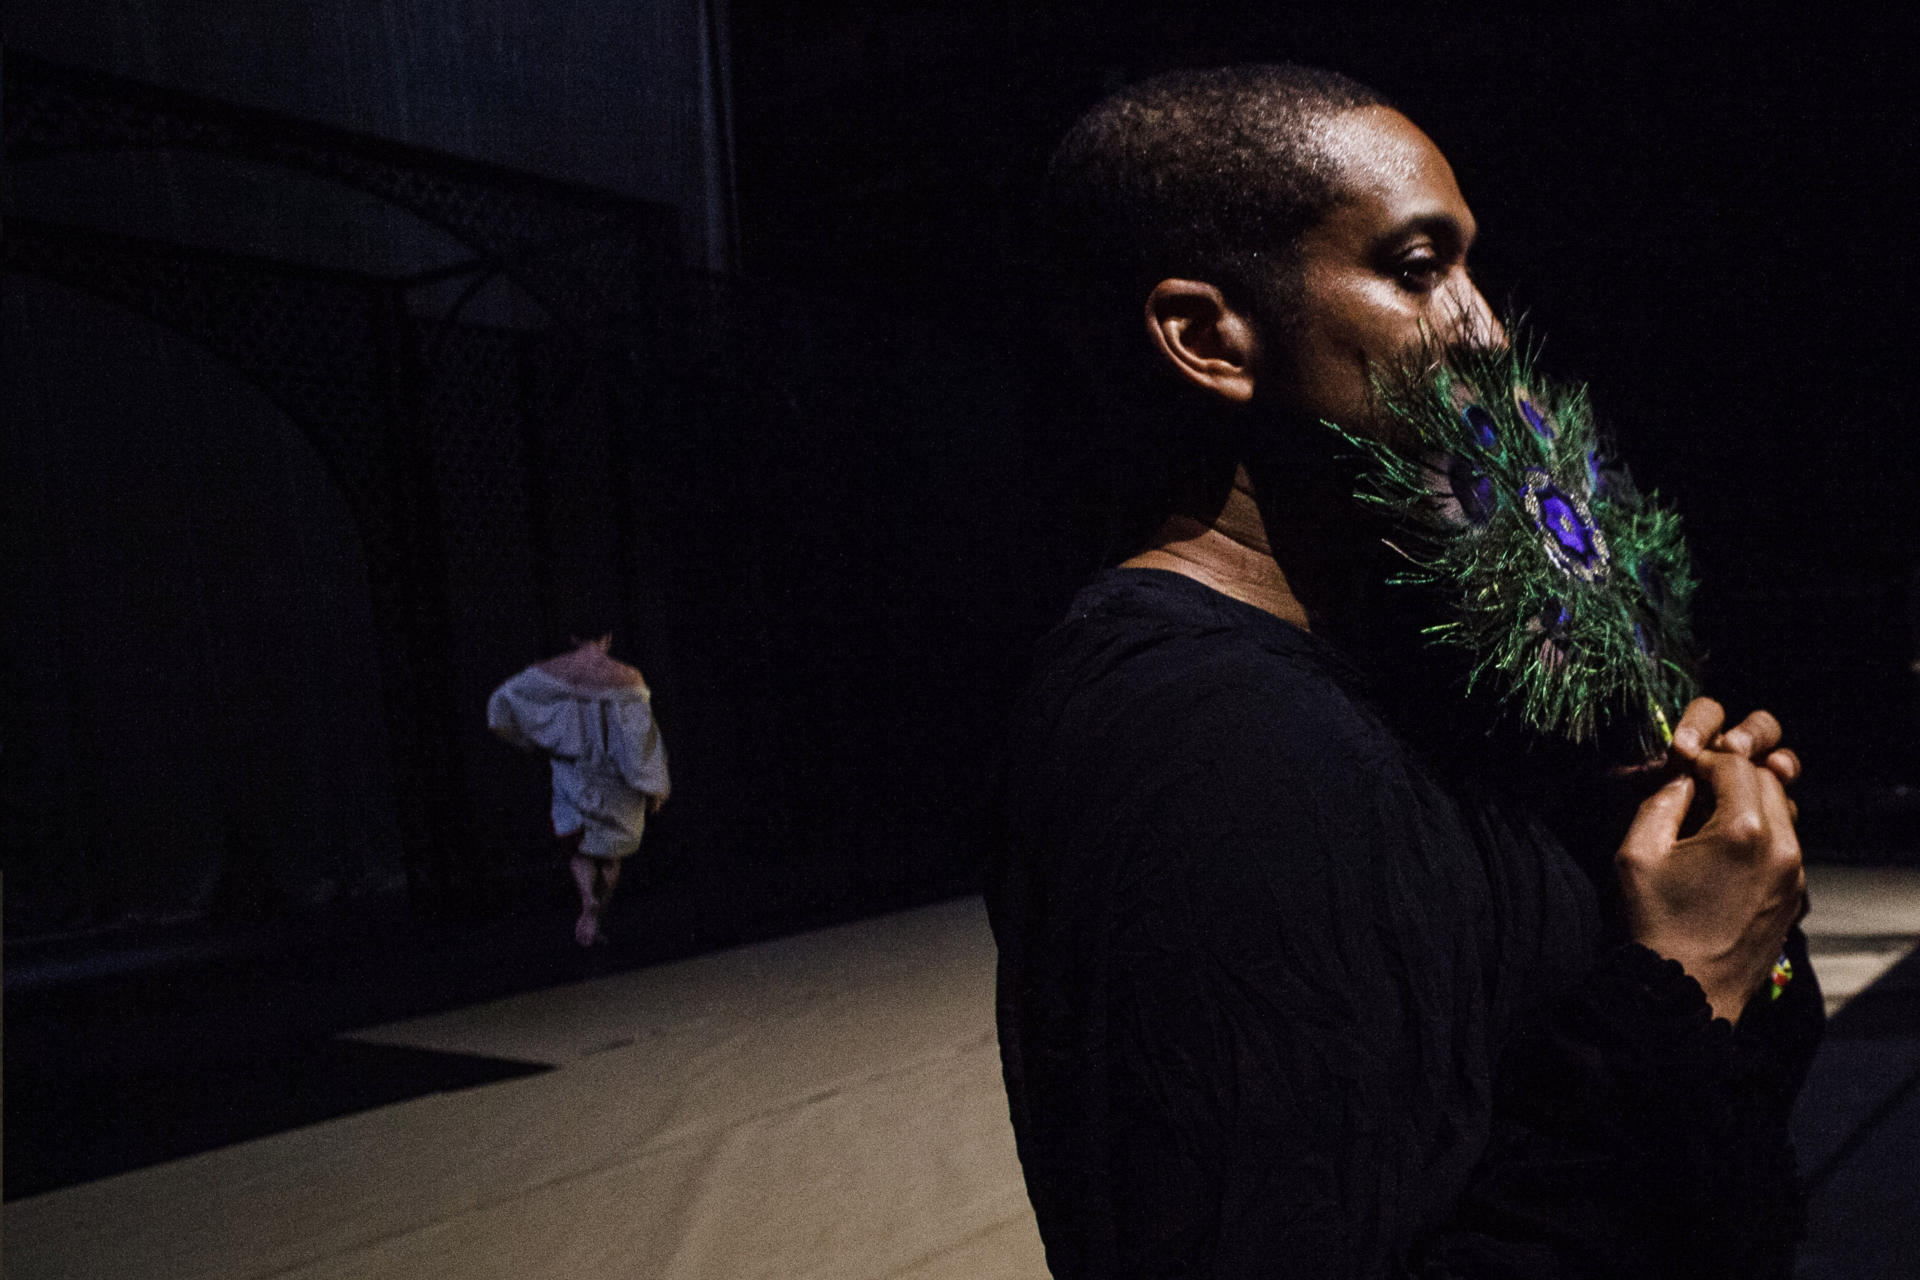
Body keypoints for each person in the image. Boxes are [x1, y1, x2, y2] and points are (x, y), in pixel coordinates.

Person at [986, 66, 1821, 1279]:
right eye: (1420, 268)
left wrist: (1676, 867)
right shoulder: (1201, 750)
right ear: (1210, 337)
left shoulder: (1371, 687)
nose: (1486, 329)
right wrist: (1676, 988)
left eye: (1472, 267)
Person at [488, 633, 670, 947]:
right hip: (615, 773)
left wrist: (529, 738)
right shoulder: (626, 676)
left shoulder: (550, 671)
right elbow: (641, 734)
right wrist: (652, 782)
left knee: (580, 845)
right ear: (607, 639)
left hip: (574, 769)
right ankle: (598, 915)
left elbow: (503, 705)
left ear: (572, 639)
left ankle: (588, 900)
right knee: (610, 852)